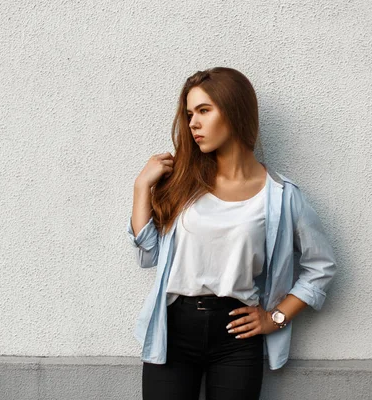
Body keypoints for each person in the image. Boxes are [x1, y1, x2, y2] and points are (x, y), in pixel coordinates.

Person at [126, 67, 337, 400]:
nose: (193, 123)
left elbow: (321, 267)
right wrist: (141, 189)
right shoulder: (183, 186)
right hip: (172, 331)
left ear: (235, 110)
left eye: (204, 111)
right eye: (190, 113)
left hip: (236, 338)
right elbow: (147, 254)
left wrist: (275, 318)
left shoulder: (282, 197)